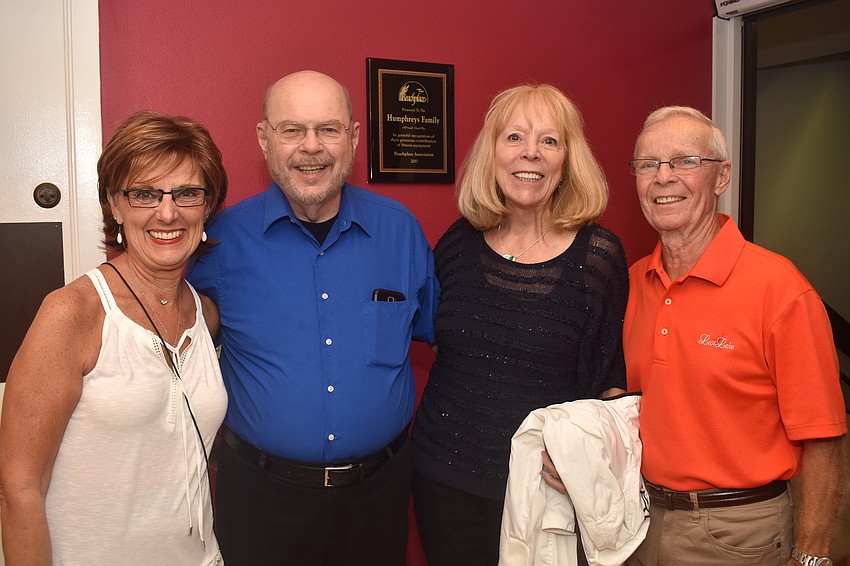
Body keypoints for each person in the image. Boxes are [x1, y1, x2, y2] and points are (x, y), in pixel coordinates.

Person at [185, 70, 439, 566]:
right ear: (265, 139)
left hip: (379, 497)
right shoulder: (218, 244)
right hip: (261, 502)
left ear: (354, 137)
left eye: (328, 129)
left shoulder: (400, 232)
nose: (312, 147)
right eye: (292, 130)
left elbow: (440, 336)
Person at [410, 83, 629, 566]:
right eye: (514, 137)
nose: (530, 152)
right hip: (443, 480)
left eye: (549, 140)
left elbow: (611, 384)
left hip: (545, 494)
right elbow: (442, 340)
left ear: (567, 160)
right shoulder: (458, 242)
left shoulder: (598, 257)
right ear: (492, 153)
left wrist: (587, 461)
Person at [0, 110, 229, 565]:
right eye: (144, 193)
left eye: (187, 193)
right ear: (115, 204)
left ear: (207, 207)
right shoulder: (72, 313)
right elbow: (19, 490)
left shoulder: (204, 314)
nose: (168, 212)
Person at [622, 106, 847, 565]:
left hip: (738, 533)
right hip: (637, 523)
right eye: (648, 164)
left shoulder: (780, 290)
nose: (663, 177)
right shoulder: (630, 283)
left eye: (685, 161)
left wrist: (812, 555)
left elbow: (823, 436)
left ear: (721, 177)